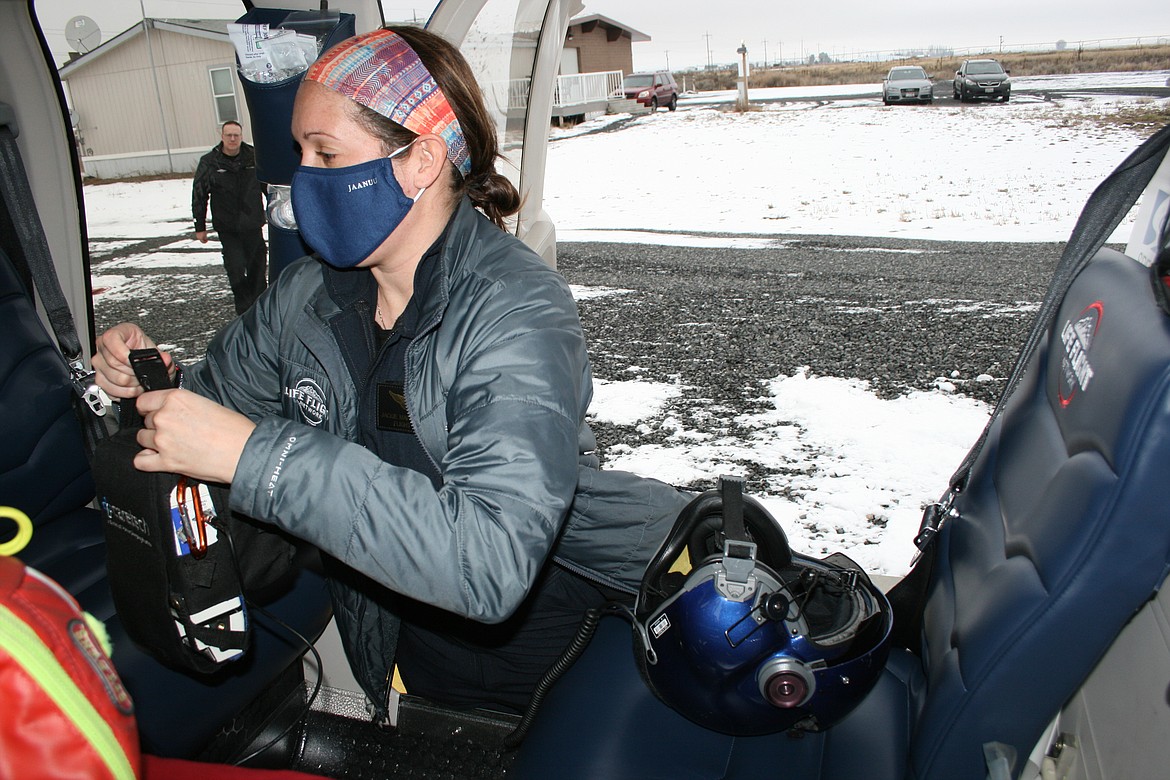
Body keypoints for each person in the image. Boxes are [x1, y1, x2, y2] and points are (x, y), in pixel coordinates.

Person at [93, 26, 689, 720]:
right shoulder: (305, 296)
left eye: (326, 153)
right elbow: (205, 414)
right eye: (300, 154)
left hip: (544, 662)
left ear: (420, 162)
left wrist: (258, 457)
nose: (303, 179)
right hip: (397, 642)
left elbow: (488, 563)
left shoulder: (517, 309)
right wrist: (146, 387)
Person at [191, 120, 268, 315]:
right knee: (235, 269)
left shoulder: (254, 157)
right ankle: (243, 312)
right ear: (222, 136)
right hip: (228, 227)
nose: (233, 139)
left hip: (252, 224)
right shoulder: (210, 162)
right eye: (229, 135)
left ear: (241, 136)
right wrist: (200, 226)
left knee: (257, 269)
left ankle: (260, 311)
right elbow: (199, 194)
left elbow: (268, 187)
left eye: (236, 135)